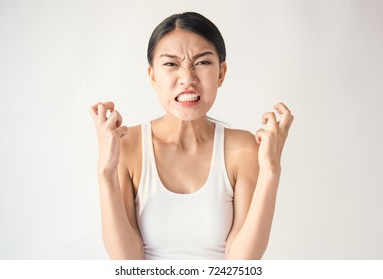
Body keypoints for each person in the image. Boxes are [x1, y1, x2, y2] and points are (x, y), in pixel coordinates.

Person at [89, 11, 294, 260]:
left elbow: (243, 264)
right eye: (171, 64)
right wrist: (106, 171)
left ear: (221, 73)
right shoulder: (128, 145)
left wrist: (271, 171)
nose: (187, 78)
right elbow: (126, 262)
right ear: (152, 75)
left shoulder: (242, 149)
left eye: (202, 62)